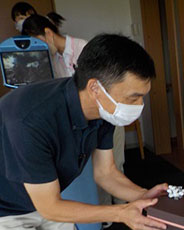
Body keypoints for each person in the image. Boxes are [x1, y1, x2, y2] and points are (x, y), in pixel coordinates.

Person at [0, 34, 167, 230]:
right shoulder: (30, 118)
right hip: (5, 213)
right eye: (133, 97)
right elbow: (49, 207)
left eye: (143, 97)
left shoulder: (103, 111)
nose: (138, 107)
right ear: (95, 87)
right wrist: (121, 214)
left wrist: (144, 195)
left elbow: (105, 174)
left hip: (48, 199)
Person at [23, 14, 127, 215]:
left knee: (114, 164)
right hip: (79, 124)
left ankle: (123, 207)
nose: (38, 47)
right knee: (92, 170)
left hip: (105, 116)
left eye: (38, 40)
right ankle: (107, 214)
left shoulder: (83, 49)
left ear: (48, 33)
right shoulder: (49, 60)